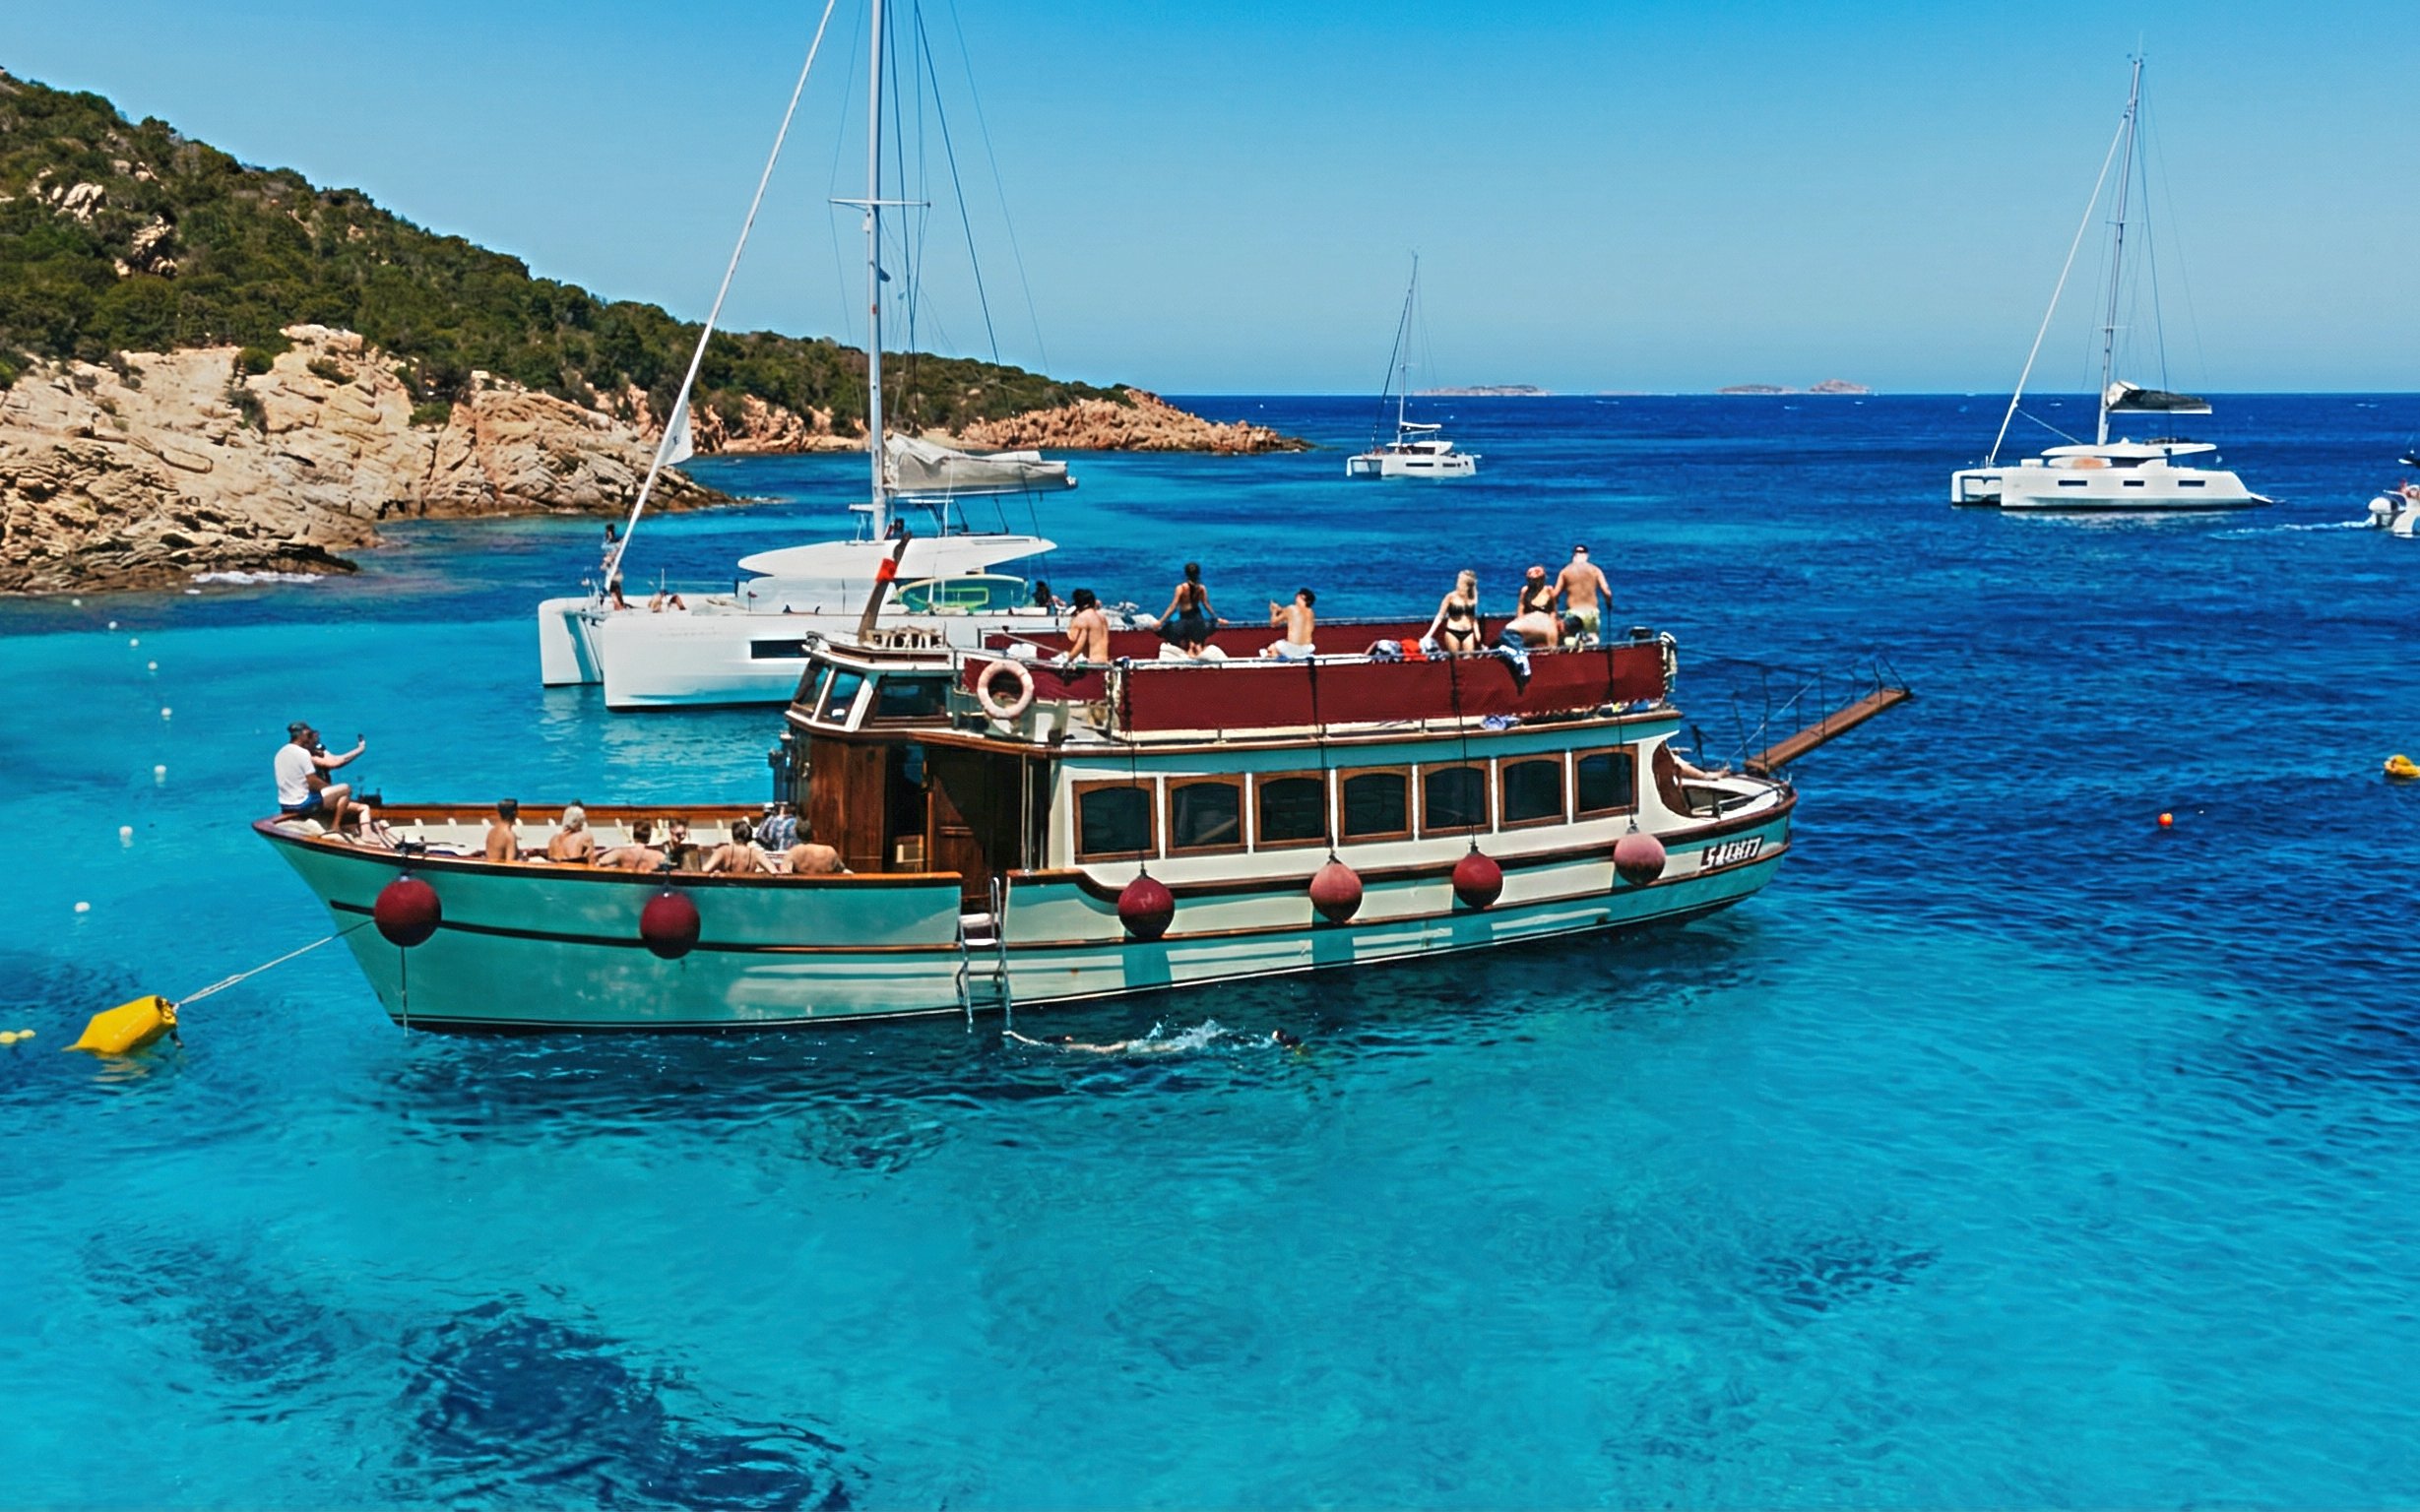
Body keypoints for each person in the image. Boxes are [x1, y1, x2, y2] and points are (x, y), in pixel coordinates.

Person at [273, 722, 366, 833]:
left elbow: (333, 760)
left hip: (285, 805)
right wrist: (332, 789)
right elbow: (312, 782)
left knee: (338, 793)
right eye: (309, 735)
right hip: (302, 804)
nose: (310, 739)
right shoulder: (303, 753)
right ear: (303, 735)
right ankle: (335, 826)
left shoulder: (280, 753)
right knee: (346, 788)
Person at [1155, 561, 1219, 655]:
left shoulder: (1181, 588)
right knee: (1199, 638)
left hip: (1185, 620)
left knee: (1167, 631)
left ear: (1186, 574)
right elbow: (1206, 605)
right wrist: (1216, 618)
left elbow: (1173, 606)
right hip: (1198, 618)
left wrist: (1161, 621)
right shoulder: (1201, 588)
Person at [1553, 544, 1612, 643]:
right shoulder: (1596, 570)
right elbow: (1607, 592)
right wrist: (1608, 604)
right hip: (1592, 612)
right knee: (1593, 639)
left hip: (1574, 613)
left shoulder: (1565, 571)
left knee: (1570, 640)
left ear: (1574, 556)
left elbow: (1555, 595)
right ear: (1587, 556)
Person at [1424, 570, 1482, 654]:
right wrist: (1428, 634)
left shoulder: (1473, 597)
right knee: (1454, 658)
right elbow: (1440, 616)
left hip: (1468, 632)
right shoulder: (1451, 597)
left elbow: (1472, 616)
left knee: (1469, 659)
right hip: (1453, 632)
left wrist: (1477, 632)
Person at [1504, 565, 1561, 648]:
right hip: (1530, 622)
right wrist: (1521, 622)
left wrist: (1552, 622)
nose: (1534, 582)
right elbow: (1520, 610)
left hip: (1546, 623)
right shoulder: (1525, 591)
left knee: (1552, 634)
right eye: (1531, 580)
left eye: (1537, 580)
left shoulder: (1549, 590)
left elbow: (1553, 610)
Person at [701, 817, 772, 874]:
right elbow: (774, 871)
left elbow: (705, 870)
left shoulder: (723, 851)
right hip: (747, 889)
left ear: (733, 834)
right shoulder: (755, 853)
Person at [1263, 589, 1317, 661]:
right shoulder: (1311, 612)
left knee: (1271, 648)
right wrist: (1280, 609)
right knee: (1286, 643)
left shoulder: (1291, 609)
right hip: (1307, 648)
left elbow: (1273, 624)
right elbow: (1294, 615)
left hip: (1293, 648)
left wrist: (1274, 611)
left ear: (1301, 597)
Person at [779, 820, 845, 876]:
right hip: (826, 887)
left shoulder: (794, 851)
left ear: (797, 834)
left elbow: (784, 872)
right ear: (814, 833)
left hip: (801, 888)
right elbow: (841, 869)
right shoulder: (829, 850)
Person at [599, 819, 668, 872]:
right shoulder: (659, 856)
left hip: (626, 885)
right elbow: (668, 868)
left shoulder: (621, 853)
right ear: (649, 837)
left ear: (633, 835)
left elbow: (601, 862)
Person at [1065, 589, 1112, 663]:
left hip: (1092, 662)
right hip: (1104, 661)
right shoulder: (1102, 617)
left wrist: (1069, 659)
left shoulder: (1083, 617)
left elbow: (1078, 643)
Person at [481, 798, 522, 862]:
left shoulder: (491, 831)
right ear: (515, 813)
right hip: (501, 870)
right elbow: (510, 863)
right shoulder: (509, 835)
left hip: (491, 869)